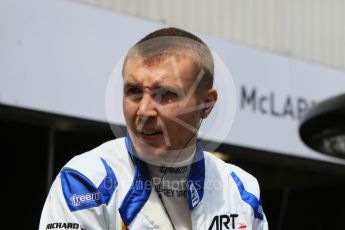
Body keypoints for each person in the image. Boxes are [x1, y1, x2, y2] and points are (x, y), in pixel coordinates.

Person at [39, 27, 268, 230]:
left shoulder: (240, 191)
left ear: (206, 104)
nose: (144, 112)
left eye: (166, 94)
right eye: (134, 92)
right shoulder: (86, 179)